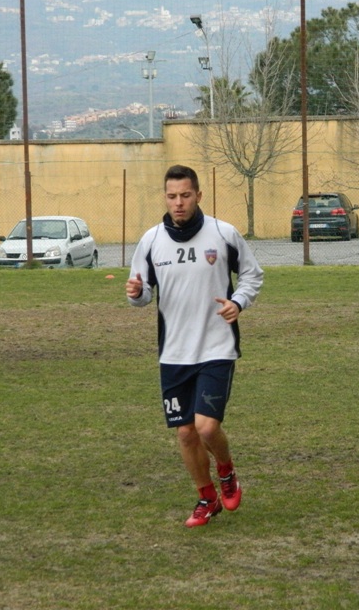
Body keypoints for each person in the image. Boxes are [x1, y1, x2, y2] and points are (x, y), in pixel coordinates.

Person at [126, 164, 264, 528]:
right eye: (172, 196)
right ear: (165, 198)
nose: (179, 203)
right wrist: (138, 294)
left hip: (216, 346)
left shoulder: (224, 234)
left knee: (205, 428)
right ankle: (206, 497)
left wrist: (239, 301)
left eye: (186, 195)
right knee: (185, 432)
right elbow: (141, 294)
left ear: (199, 195)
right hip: (173, 352)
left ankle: (227, 470)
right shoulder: (151, 240)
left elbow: (252, 274)